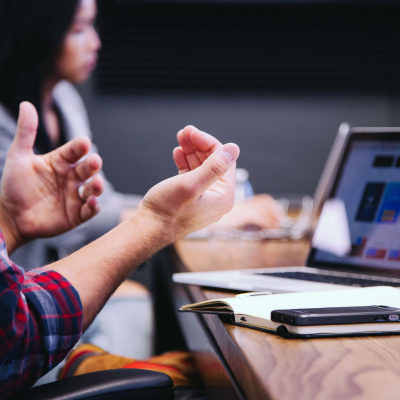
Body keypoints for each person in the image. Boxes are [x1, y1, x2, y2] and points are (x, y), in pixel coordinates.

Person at [0, 101, 240, 399]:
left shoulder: (65, 98)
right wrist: (158, 221)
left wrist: (9, 223)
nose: (96, 49)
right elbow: (16, 334)